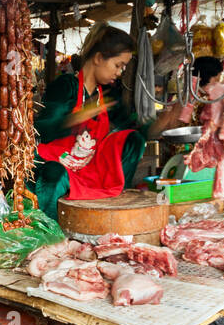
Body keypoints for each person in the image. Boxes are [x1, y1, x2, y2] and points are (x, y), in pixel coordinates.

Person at [32, 26, 148, 219]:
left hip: (86, 169)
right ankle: (49, 231)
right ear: (99, 58)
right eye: (118, 65)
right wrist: (74, 118)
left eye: (123, 67)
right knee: (54, 173)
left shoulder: (107, 95)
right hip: (58, 166)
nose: (120, 72)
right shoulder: (66, 86)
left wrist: (161, 123)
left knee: (133, 140)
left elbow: (131, 126)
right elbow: (41, 130)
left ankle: (116, 202)